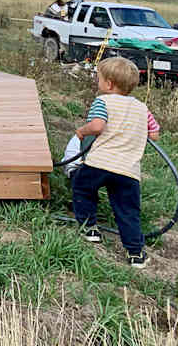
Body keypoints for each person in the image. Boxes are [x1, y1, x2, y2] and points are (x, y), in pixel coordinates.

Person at [71, 56, 161, 269]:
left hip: (100, 163)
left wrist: (82, 131)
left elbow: (97, 126)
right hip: (128, 171)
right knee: (127, 210)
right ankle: (136, 253)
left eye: (99, 79)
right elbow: (155, 134)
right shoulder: (142, 108)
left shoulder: (103, 101)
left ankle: (90, 228)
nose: (98, 82)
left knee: (82, 188)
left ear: (109, 84)